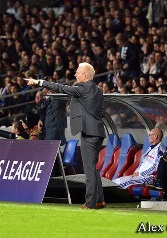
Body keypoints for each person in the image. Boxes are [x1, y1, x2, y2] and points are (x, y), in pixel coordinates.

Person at [25, 62, 106, 209]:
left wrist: (39, 82)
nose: (75, 75)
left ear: (86, 75)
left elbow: (61, 88)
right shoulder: (98, 90)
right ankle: (99, 200)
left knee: (88, 170)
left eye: (78, 72)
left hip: (89, 133)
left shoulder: (82, 88)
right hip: (98, 132)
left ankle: (90, 203)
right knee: (92, 168)